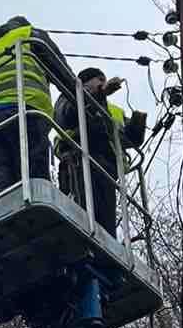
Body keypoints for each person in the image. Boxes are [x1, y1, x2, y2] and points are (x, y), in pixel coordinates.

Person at [0, 16, 76, 200]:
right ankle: (38, 210)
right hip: (28, 115)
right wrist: (83, 102)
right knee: (34, 177)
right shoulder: (30, 35)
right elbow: (62, 73)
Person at [54, 67, 147, 238]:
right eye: (99, 80)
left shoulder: (111, 110)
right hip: (79, 162)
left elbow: (128, 140)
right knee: (84, 217)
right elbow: (67, 116)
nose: (104, 83)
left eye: (104, 80)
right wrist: (99, 94)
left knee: (106, 229)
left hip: (107, 170)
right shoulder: (70, 93)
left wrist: (137, 123)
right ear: (85, 82)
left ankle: (102, 258)